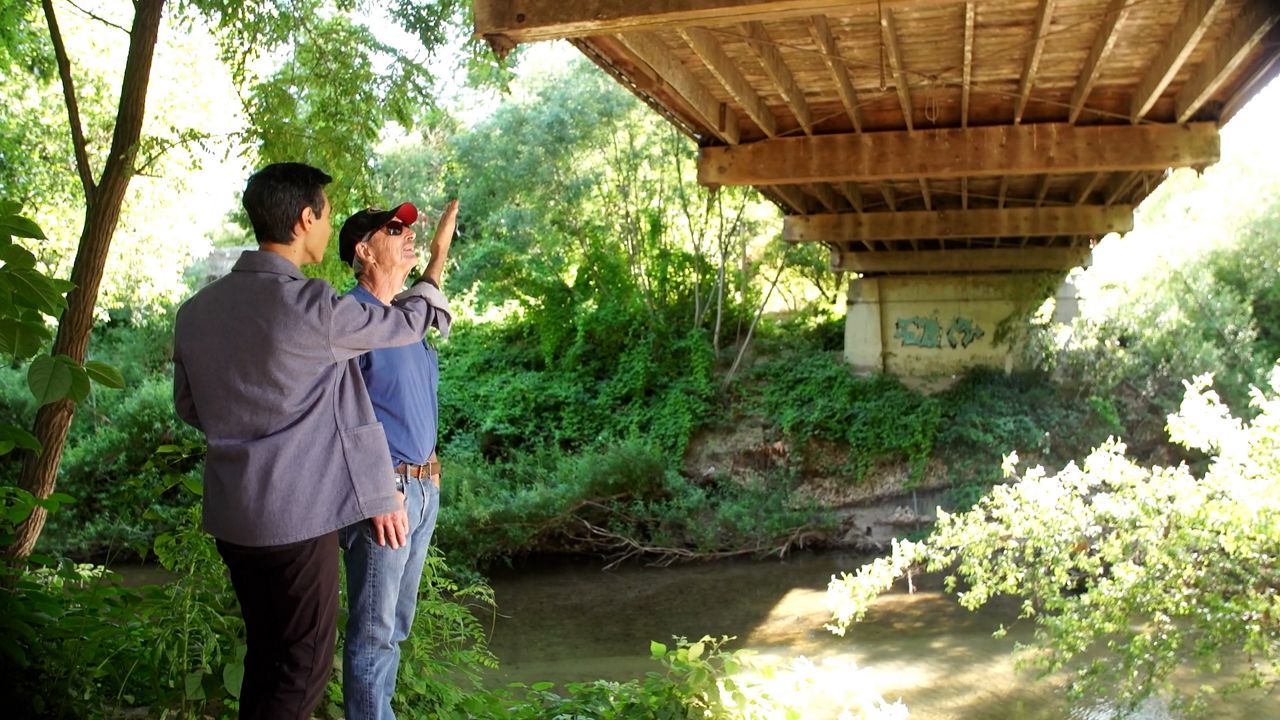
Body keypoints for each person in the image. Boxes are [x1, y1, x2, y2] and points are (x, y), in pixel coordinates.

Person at [172, 162, 452, 720]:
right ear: (306, 219)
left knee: (270, 656)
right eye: (325, 214)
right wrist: (435, 266)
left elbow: (191, 407)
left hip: (234, 518)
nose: (326, 226)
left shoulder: (196, 311)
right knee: (302, 669)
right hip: (296, 519)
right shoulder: (312, 307)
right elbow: (405, 322)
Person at [336, 198, 457, 720]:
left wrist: (438, 252)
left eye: (409, 228)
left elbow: (428, 290)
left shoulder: (403, 318)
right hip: (385, 494)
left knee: (396, 627)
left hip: (424, 489)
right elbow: (340, 423)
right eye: (393, 229)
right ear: (364, 251)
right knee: (373, 633)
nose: (406, 233)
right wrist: (380, 491)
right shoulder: (349, 320)